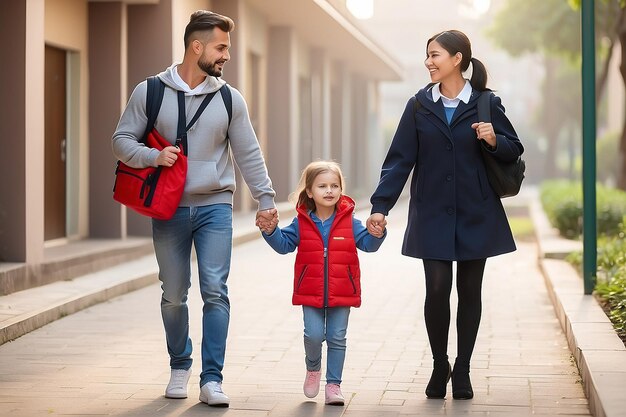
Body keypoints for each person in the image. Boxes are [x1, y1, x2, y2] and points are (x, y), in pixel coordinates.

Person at [112, 10, 278, 407]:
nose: (226, 56)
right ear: (196, 46)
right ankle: (179, 363)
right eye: (221, 47)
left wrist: (266, 198)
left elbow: (248, 153)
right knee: (173, 293)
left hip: (215, 206)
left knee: (216, 291)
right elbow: (120, 141)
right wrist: (154, 156)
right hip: (168, 208)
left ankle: (212, 379)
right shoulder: (149, 91)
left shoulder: (228, 97)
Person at [366, 30, 523, 400]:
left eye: (435, 55)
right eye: (427, 55)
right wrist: (380, 206)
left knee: (470, 291)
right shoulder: (419, 105)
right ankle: (441, 364)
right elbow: (400, 160)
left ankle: (463, 368)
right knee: (437, 290)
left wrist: (493, 139)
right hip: (432, 211)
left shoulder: (486, 102)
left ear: (457, 59)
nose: (428, 62)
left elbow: (514, 148)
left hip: (476, 211)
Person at [258, 161, 386, 406]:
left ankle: (334, 385)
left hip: (342, 291)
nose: (329, 191)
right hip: (310, 291)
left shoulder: (350, 222)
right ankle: (313, 368)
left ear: (341, 189)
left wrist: (377, 234)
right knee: (314, 335)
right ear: (309, 191)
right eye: (322, 186)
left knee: (337, 337)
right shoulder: (302, 221)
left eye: (335, 185)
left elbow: (368, 245)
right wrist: (271, 232)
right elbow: (284, 245)